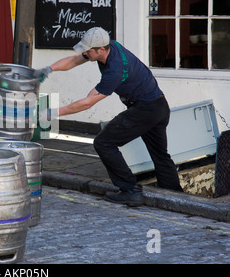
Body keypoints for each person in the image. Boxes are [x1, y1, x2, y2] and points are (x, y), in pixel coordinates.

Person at [36, 27, 183, 207]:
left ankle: (130, 190)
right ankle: (177, 198)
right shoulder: (108, 45)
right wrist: (49, 69)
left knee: (103, 143)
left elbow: (88, 102)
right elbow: (74, 61)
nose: (84, 53)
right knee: (161, 156)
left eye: (88, 51)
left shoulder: (115, 70)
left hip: (146, 109)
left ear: (101, 50)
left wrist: (54, 113)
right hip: (158, 105)